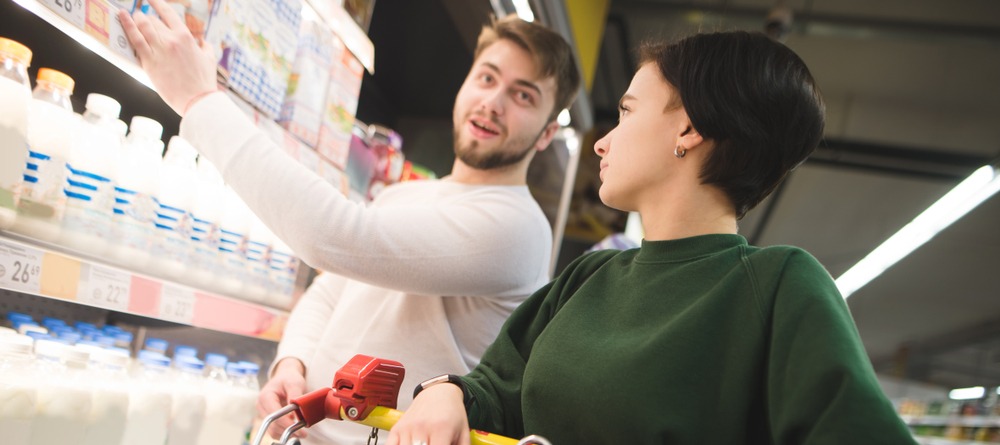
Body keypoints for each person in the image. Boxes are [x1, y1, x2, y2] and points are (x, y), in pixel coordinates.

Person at [387, 31, 918, 445]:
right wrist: (445, 394)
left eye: (625, 112)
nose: (603, 143)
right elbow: (493, 389)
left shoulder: (777, 285)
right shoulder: (587, 278)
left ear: (687, 129)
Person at [117, 2, 580, 444]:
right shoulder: (405, 194)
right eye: (487, 78)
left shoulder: (516, 227)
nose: (493, 102)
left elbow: (337, 238)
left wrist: (199, 101)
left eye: (523, 95)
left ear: (546, 133)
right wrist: (292, 361)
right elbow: (331, 287)